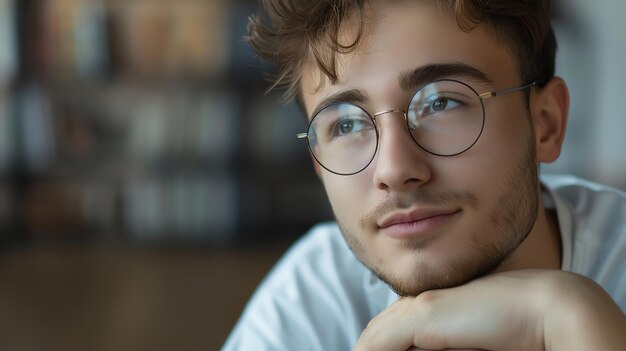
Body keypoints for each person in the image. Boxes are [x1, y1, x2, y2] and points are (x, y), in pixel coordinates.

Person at [223, 1, 626, 350]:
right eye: (346, 125)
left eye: (441, 102)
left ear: (546, 124)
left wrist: (575, 318)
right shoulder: (312, 299)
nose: (395, 170)